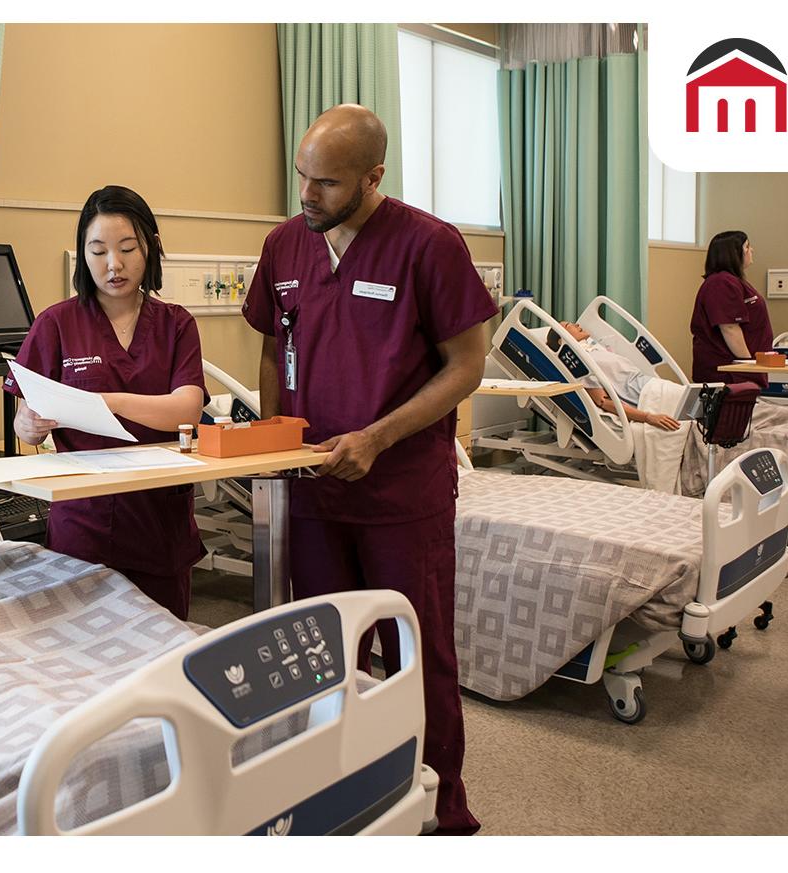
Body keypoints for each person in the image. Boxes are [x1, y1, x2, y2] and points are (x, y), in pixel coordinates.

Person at [241, 104, 496, 835]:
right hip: (314, 489)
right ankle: (340, 799)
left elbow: (467, 364)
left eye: (326, 183)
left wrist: (378, 437)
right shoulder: (285, 246)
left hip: (400, 493)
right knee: (322, 655)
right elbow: (268, 345)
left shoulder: (429, 245)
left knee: (416, 653)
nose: (307, 195)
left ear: (373, 177)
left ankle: (443, 811)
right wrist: (275, 435)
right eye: (301, 177)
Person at [2, 185, 209, 621]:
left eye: (127, 248)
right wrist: (32, 424)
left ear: (150, 248)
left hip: (158, 517)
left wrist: (105, 400)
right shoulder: (56, 323)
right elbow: (24, 415)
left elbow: (186, 409)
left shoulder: (176, 325)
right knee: (80, 653)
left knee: (164, 649)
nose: (113, 264)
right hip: (84, 522)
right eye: (97, 251)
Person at [546, 322, 681, 431]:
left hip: (652, 384)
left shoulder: (594, 350)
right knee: (697, 406)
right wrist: (647, 417)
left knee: (697, 403)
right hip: (644, 394)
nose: (578, 325)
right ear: (561, 340)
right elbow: (604, 402)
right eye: (570, 325)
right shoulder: (580, 365)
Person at [690, 230, 773, 388]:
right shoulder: (721, 282)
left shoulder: (734, 281)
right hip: (729, 373)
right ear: (734, 253)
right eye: (747, 246)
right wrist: (749, 366)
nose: (751, 250)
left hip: (739, 370)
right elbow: (729, 327)